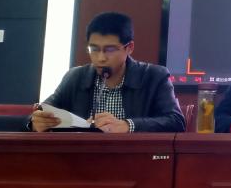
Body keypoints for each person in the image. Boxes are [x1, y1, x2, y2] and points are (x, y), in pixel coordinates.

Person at [30, 11, 184, 133]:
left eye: (110, 50)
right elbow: (43, 110)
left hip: (135, 159)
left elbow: (176, 121)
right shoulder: (75, 77)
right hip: (80, 158)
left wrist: (127, 125)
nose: (101, 58)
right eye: (94, 49)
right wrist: (35, 122)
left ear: (129, 48)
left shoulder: (154, 76)